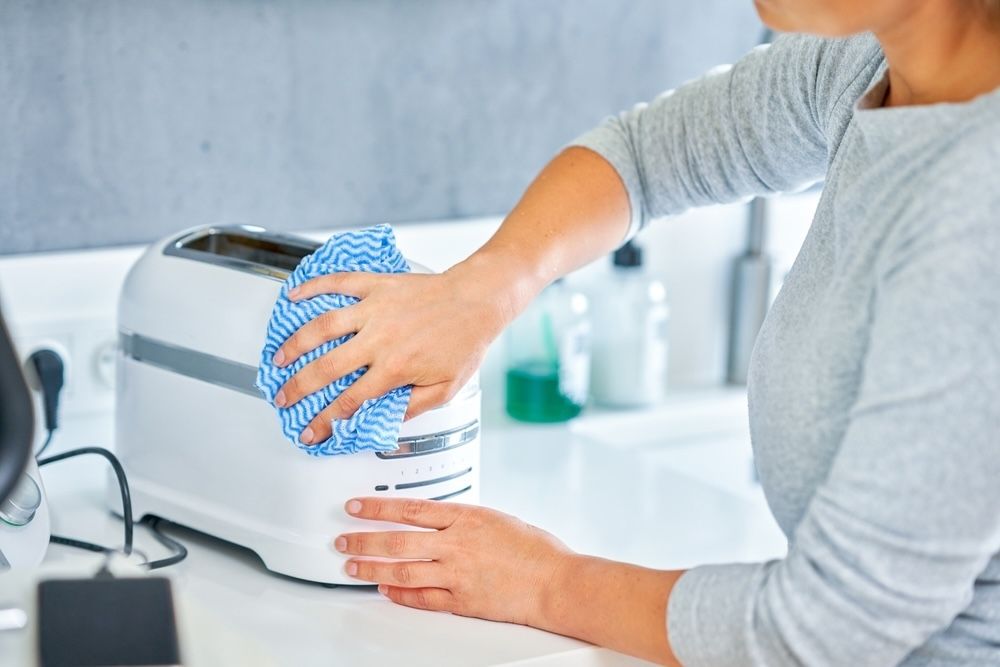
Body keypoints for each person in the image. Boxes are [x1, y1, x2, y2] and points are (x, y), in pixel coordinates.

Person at [270, 0, 1000, 664]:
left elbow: (828, 626)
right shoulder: (870, 68)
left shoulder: (977, 211)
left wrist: (547, 583)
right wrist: (482, 288)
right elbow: (648, 156)